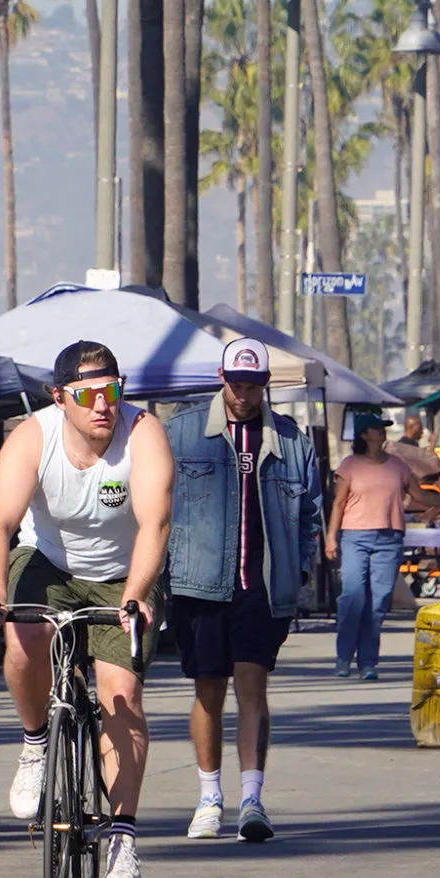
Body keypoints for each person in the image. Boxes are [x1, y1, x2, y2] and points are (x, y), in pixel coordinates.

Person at [0, 340, 172, 878]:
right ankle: (37, 741)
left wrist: (135, 594)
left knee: (121, 697)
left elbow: (154, 524)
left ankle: (124, 838)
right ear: (60, 398)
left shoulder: (144, 434)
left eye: (112, 391)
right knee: (21, 632)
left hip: (123, 572)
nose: (102, 406)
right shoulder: (32, 438)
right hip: (49, 564)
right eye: (87, 395)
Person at [161, 338, 320, 843]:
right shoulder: (180, 433)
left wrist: (299, 570)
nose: (243, 394)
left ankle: (253, 798)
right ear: (221, 377)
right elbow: (156, 506)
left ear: (266, 385)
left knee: (252, 686)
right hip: (198, 584)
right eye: (235, 383)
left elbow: (309, 515)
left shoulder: (292, 441)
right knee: (208, 690)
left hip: (263, 586)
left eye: (253, 385)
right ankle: (210, 797)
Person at [327, 414, 424, 680]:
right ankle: (344, 657)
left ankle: (368, 662)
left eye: (383, 428)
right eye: (377, 428)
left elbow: (418, 494)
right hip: (355, 536)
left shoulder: (398, 466)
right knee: (353, 596)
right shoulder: (350, 466)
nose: (382, 432)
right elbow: (338, 503)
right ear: (363, 434)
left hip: (389, 538)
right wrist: (331, 537)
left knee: (378, 601)